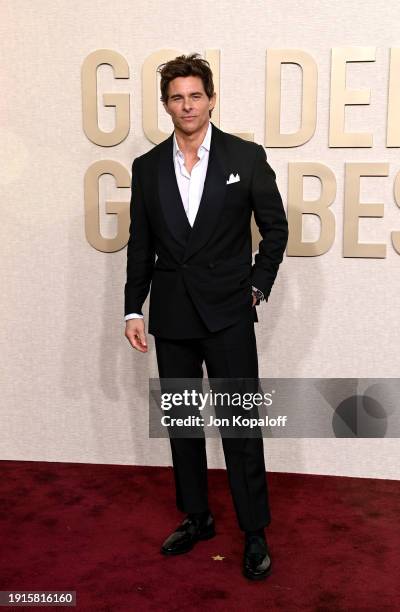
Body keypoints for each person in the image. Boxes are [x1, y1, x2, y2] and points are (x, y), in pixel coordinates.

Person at [124, 53, 288, 580]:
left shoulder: (246, 155)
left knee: (240, 425)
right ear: (166, 104)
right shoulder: (147, 167)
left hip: (228, 314)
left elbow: (275, 229)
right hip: (171, 315)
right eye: (177, 97)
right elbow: (140, 244)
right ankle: (197, 517)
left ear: (211, 99)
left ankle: (254, 530)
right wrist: (134, 307)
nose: (187, 105)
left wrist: (257, 287)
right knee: (182, 423)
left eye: (195, 95)